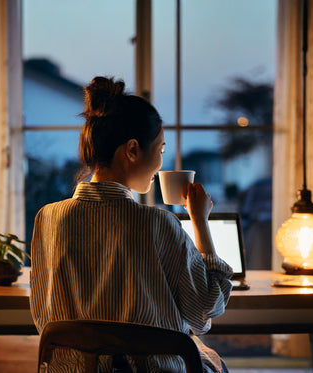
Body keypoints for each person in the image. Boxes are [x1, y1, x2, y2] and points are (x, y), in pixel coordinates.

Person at [30, 76, 233, 372]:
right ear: (133, 150)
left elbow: (44, 321)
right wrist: (200, 222)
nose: (160, 162)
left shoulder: (47, 217)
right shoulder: (158, 223)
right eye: (160, 150)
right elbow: (204, 312)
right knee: (209, 357)